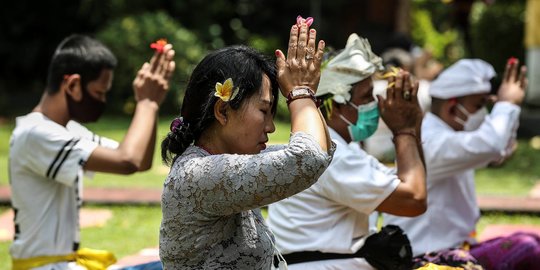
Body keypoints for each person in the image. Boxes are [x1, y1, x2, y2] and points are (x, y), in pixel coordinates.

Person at [158, 17, 334, 269]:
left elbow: (320, 153)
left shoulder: (227, 162)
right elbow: (307, 159)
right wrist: (300, 93)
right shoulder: (196, 174)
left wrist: (307, 95)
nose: (271, 127)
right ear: (223, 111)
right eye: (264, 111)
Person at [9, 34, 175, 270]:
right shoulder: (35, 134)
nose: (103, 101)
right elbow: (127, 160)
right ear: (73, 84)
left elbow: (139, 162)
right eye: (99, 93)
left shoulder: (66, 131)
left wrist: (152, 103)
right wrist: (146, 102)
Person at [267, 33, 427, 270]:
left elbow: (409, 183)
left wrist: (412, 128)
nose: (376, 104)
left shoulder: (342, 149)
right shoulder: (333, 156)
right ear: (335, 107)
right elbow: (414, 199)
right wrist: (404, 129)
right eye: (366, 97)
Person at [384, 58, 540, 269]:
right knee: (528, 249)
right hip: (427, 256)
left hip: (457, 249)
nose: (484, 113)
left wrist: (509, 109)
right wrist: (507, 104)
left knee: (531, 240)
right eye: (479, 105)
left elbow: (499, 150)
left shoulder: (448, 136)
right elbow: (493, 145)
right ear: (452, 108)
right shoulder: (431, 140)